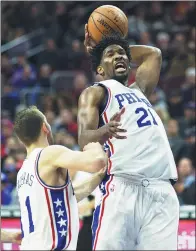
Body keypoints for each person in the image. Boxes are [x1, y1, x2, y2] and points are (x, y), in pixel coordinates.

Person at [77, 25, 179, 250]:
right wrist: (105, 131)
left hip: (162, 191)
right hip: (123, 186)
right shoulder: (96, 91)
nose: (119, 56)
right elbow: (84, 139)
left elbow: (154, 54)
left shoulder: (139, 90)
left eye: (122, 54)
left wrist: (105, 49)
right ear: (100, 69)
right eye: (111, 55)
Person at [14, 106, 107, 250]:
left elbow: (64, 198)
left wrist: (99, 176)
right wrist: (93, 141)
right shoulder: (49, 153)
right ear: (45, 127)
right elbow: (97, 161)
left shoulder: (23, 171)